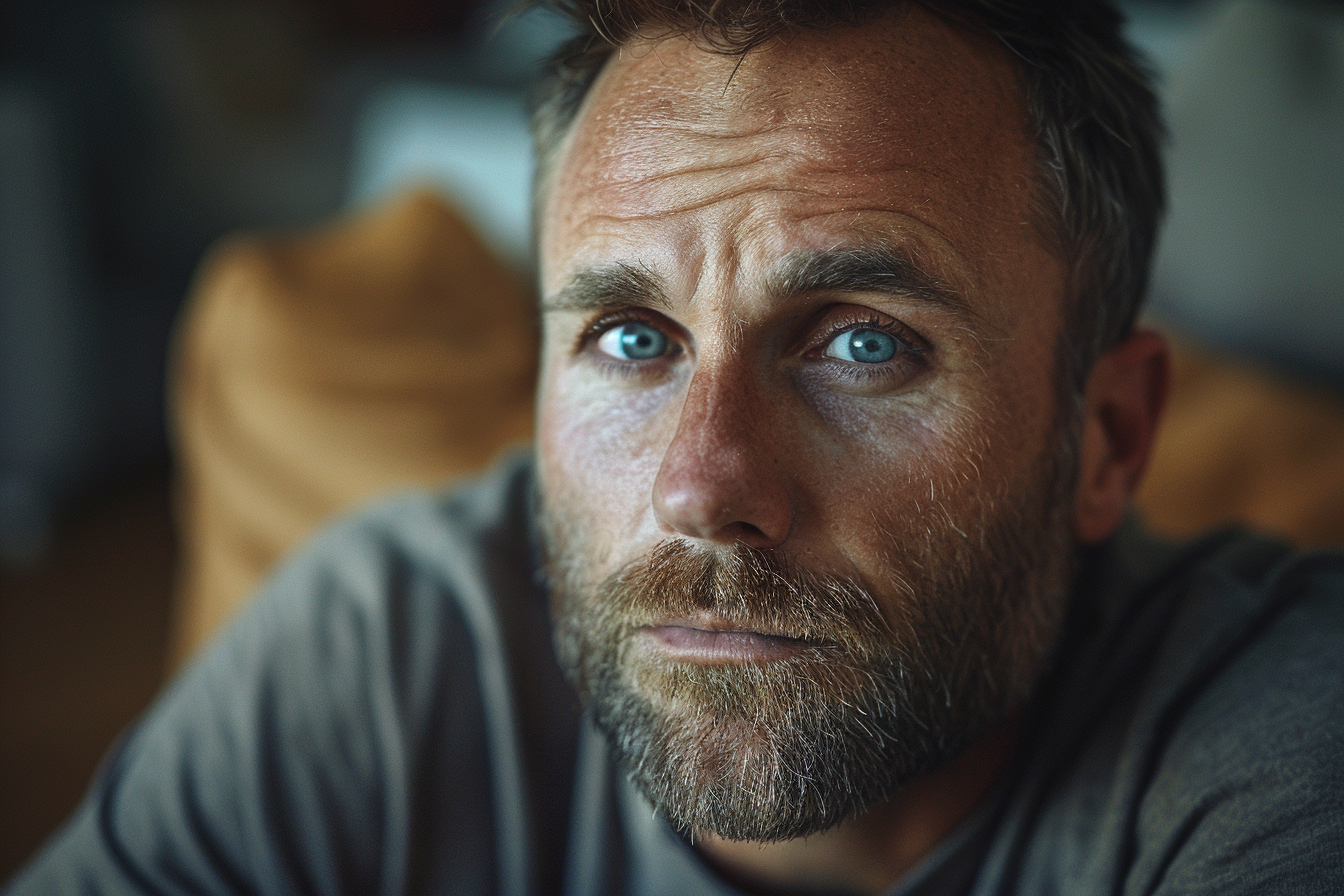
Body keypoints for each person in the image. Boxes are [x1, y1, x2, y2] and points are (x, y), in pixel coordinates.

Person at [8, 0, 1343, 893]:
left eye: (863, 344)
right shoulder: (386, 649)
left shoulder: (1278, 752)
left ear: (1106, 437)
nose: (704, 487)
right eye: (633, 341)